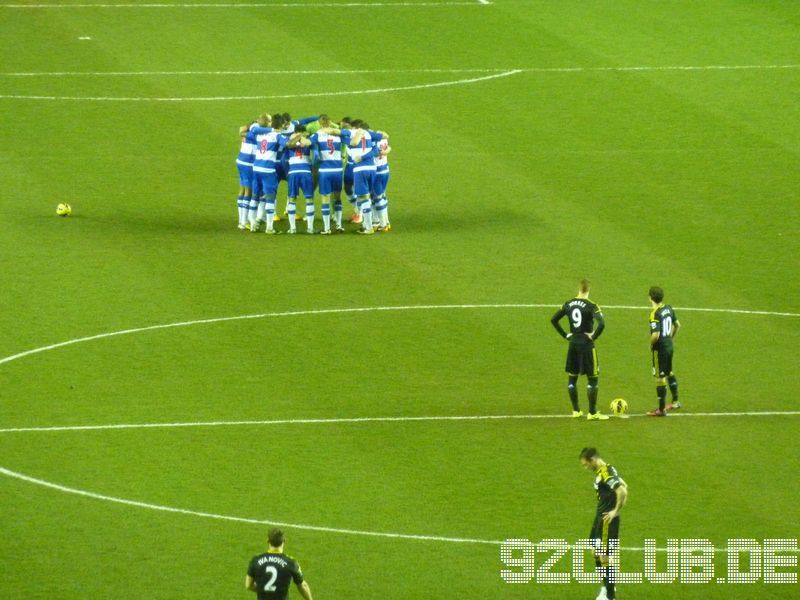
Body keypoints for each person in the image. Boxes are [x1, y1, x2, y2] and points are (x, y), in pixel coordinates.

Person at [550, 279, 608, 420]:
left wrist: (566, 335)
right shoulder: (591, 306)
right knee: (592, 379)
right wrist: (593, 336)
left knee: (572, 378)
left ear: (579, 289)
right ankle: (592, 413)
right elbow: (602, 323)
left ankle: (576, 410)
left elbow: (554, 319)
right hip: (587, 345)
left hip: (573, 344)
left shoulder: (568, 304)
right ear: (588, 290)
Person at [580, 447, 627, 600]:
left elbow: (623, 491)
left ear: (592, 459)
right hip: (599, 518)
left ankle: (610, 596)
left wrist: (615, 510)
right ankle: (605, 587)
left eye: (586, 464)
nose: (586, 468)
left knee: (604, 556)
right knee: (595, 551)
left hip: (607, 520)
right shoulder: (606, 470)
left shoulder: (606, 473)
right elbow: (625, 485)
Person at [246, 528, 313, 600]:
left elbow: (248, 585)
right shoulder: (291, 562)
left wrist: (264, 589)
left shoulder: (256, 560)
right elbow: (303, 585)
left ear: (268, 541)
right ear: (284, 541)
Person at [249, 115, 288, 234]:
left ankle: (253, 225)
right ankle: (269, 228)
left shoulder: (260, 132)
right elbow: (287, 144)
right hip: (268, 170)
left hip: (256, 168)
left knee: (255, 196)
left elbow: (253, 129)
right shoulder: (277, 135)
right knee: (270, 198)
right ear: (281, 125)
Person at [646, 286, 681, 416]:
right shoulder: (668, 308)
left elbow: (655, 334)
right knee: (669, 371)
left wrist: (650, 344)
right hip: (669, 346)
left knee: (659, 378)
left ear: (650, 298)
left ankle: (661, 409)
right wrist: (670, 338)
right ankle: (676, 401)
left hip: (660, 349)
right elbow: (677, 325)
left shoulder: (655, 313)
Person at [309, 115, 344, 233]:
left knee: (325, 199)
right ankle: (339, 225)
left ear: (320, 123)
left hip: (325, 171)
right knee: (338, 198)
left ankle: (327, 228)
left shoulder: (318, 134)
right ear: (330, 123)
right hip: (338, 170)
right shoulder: (339, 134)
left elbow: (308, 142)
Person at [284, 126, 315, 234]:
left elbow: (285, 156)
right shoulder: (307, 141)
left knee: (292, 199)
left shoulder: (289, 141)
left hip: (293, 172)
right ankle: (310, 228)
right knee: (309, 199)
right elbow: (313, 150)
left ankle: (292, 228)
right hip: (306, 172)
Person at [235, 123, 257, 229]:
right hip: (248, 164)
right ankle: (244, 222)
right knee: (249, 191)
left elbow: (241, 129)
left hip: (240, 161)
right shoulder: (255, 136)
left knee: (243, 189)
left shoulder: (246, 134)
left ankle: (241, 219)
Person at [371, 136, 391, 231]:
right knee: (382, 196)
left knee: (376, 198)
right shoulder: (384, 139)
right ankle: (385, 221)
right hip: (385, 170)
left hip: (377, 172)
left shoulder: (372, 141)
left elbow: (373, 153)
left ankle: (382, 224)